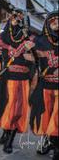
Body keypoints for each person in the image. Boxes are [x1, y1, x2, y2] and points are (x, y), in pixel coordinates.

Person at [0, 10, 36, 154]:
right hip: (6, 76)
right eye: (14, 17)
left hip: (21, 80)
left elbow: (39, 57)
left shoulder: (30, 38)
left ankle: (10, 138)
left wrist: (32, 55)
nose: (16, 20)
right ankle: (5, 132)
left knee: (16, 110)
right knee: (4, 105)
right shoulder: (3, 36)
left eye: (19, 18)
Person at [30, 10, 58, 160]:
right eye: (52, 20)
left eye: (58, 20)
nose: (56, 22)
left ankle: (57, 147)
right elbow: (31, 58)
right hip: (46, 86)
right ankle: (48, 142)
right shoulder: (39, 41)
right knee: (45, 116)